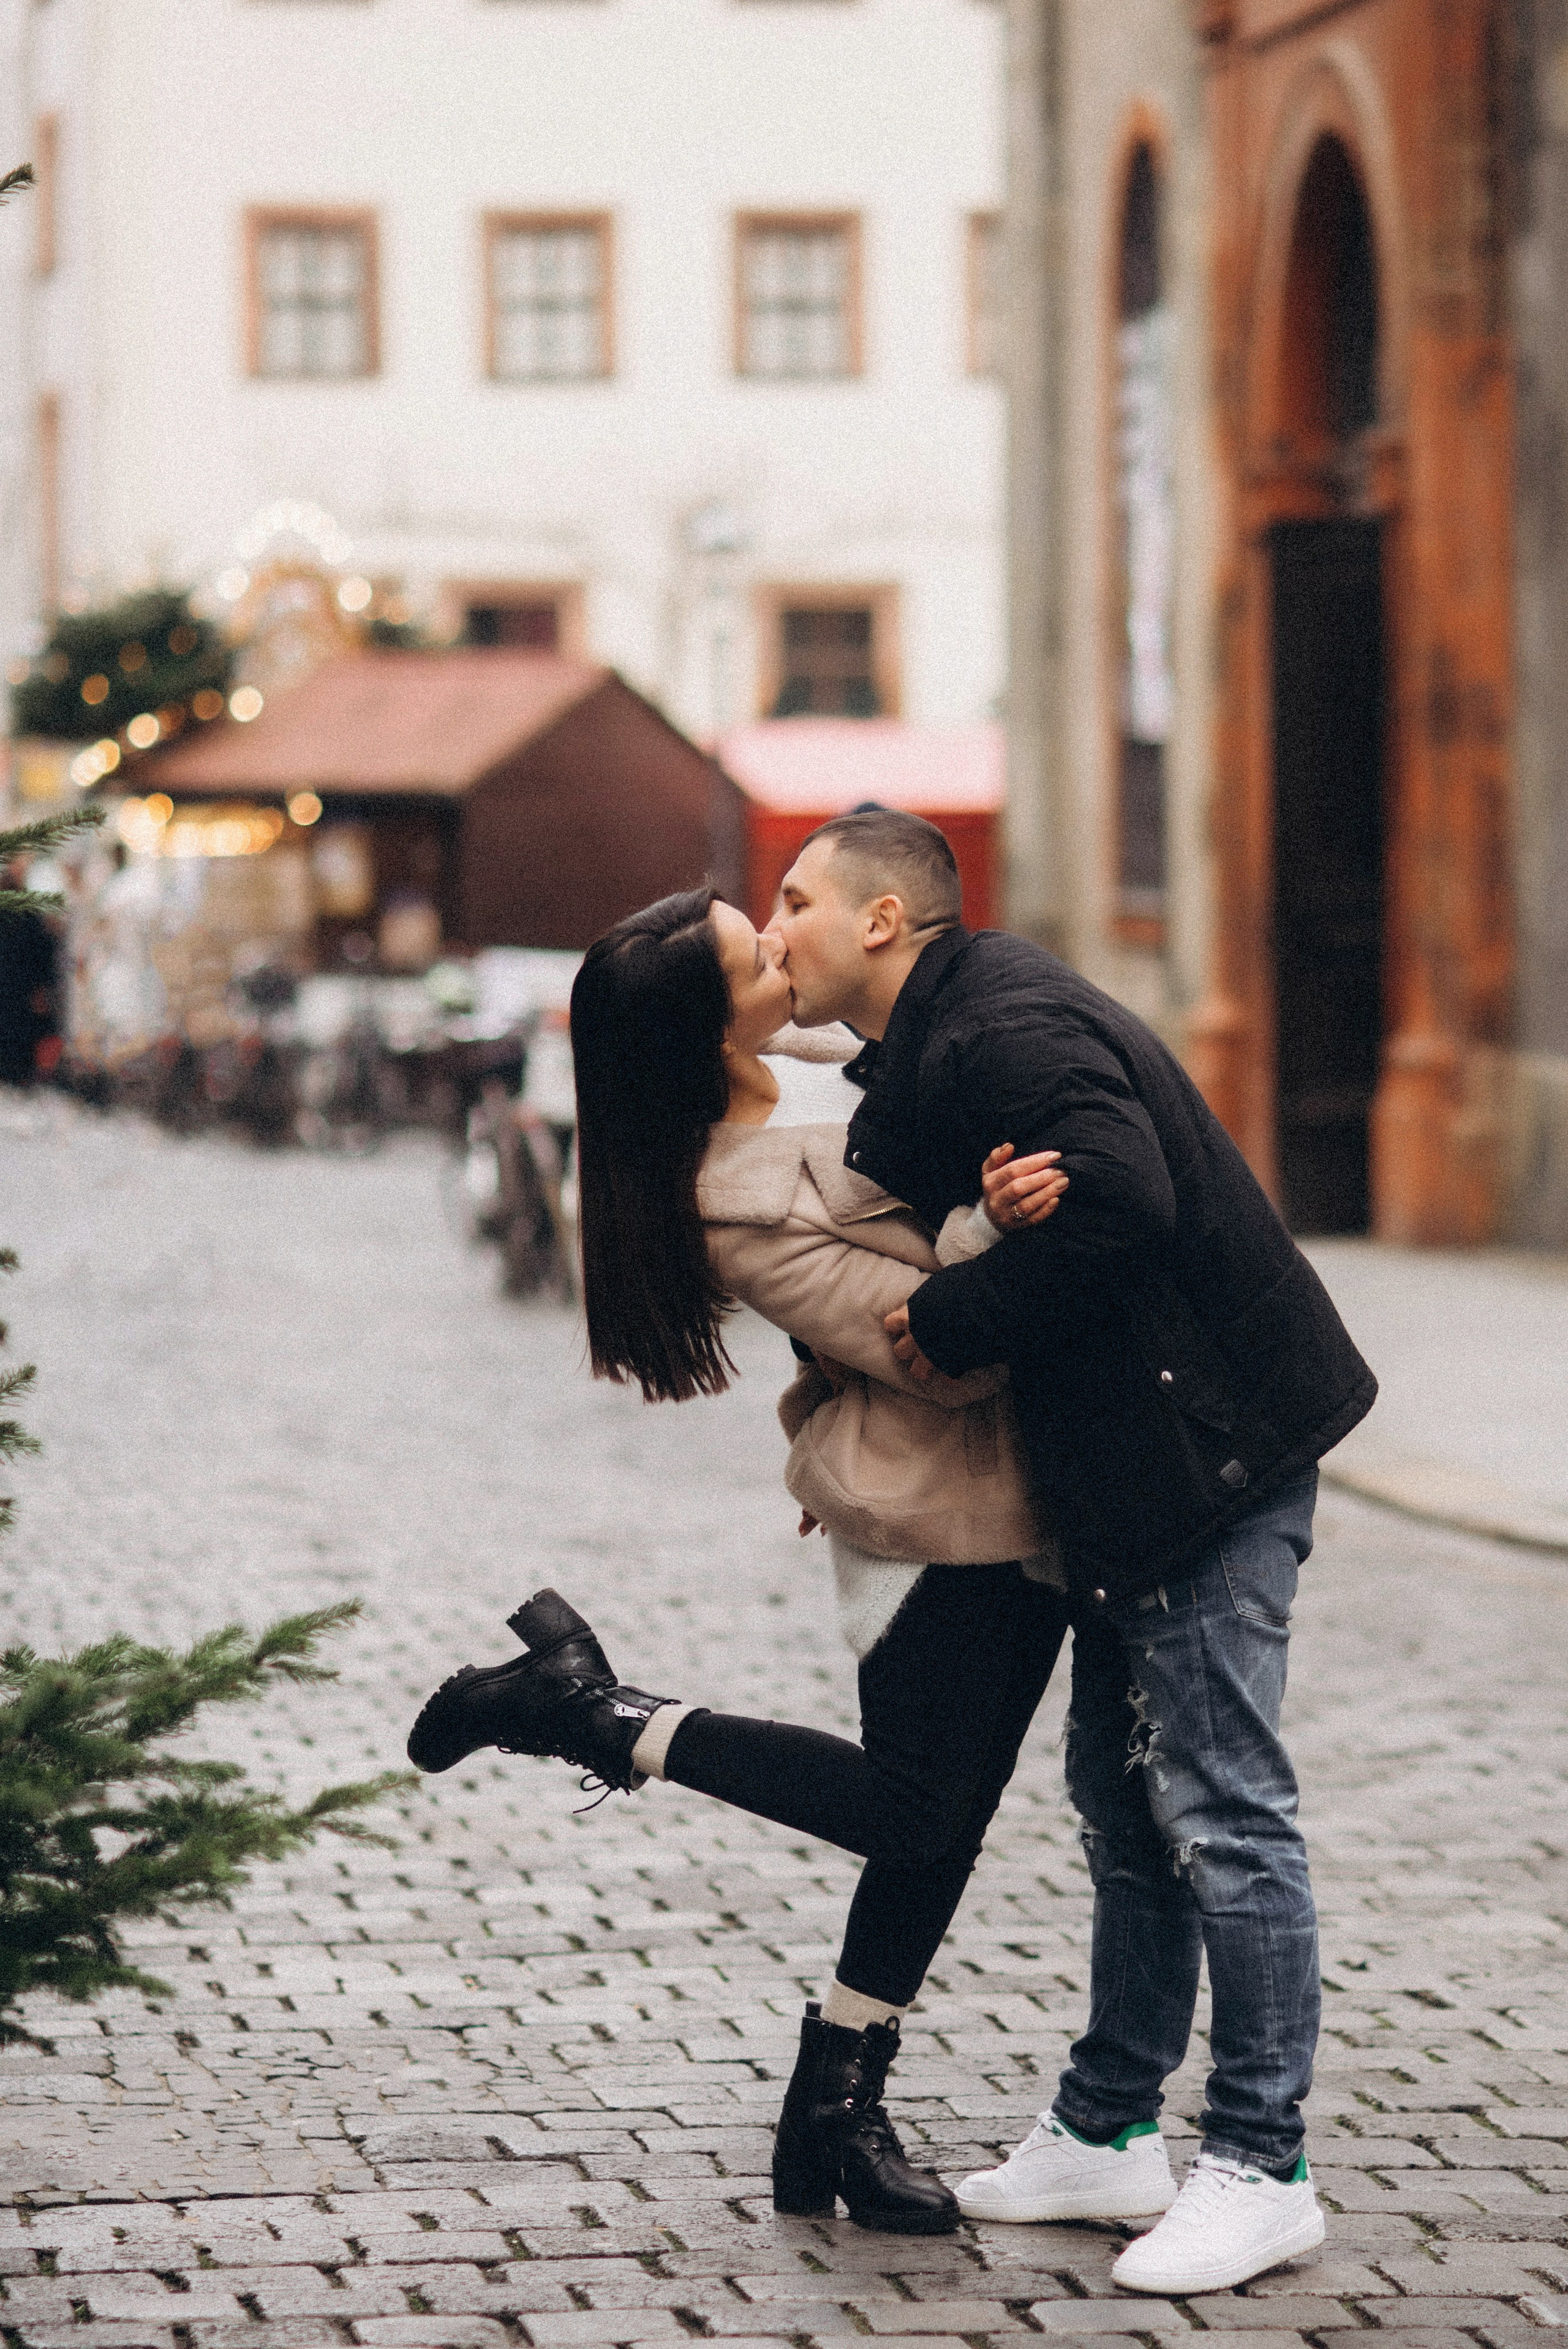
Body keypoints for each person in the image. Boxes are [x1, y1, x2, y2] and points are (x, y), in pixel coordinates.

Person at [766, 808, 1377, 2296]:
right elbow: (941, 1203)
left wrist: (955, 1316)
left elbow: (1118, 1192)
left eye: (791, 900)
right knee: (1120, 1802)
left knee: (1220, 1808)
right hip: (1124, 1475)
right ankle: (1107, 2128)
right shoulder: (930, 1056)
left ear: (881, 923)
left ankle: (1260, 2160)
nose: (770, 925)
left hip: (1208, 1455)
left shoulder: (1004, 1029)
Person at [407, 888, 1073, 2240]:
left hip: (1021, 1488)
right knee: (908, 1812)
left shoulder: (822, 1059)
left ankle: (832, 2104)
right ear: (710, 1033)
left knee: (945, 1817)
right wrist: (1000, 1221)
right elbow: (921, 1345)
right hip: (926, 1499)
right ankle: (591, 1713)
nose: (781, 944)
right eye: (748, 952)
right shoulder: (730, 1196)